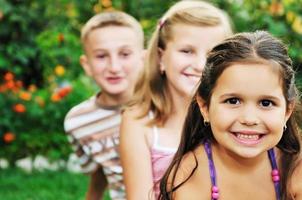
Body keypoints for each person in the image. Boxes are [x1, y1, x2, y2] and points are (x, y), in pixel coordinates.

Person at [159, 31, 302, 200]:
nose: (249, 119)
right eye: (233, 101)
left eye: (266, 103)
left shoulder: (295, 168)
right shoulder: (189, 174)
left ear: (287, 111)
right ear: (204, 106)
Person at [119, 1, 233, 199]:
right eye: (186, 51)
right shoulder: (139, 122)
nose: (200, 65)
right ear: (161, 58)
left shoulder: (233, 119)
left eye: (212, 54)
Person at [64, 11, 144, 200]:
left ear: (143, 59)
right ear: (87, 64)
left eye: (124, 54)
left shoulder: (163, 105)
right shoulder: (77, 122)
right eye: (101, 56)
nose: (114, 67)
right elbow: (100, 168)